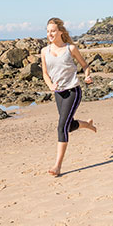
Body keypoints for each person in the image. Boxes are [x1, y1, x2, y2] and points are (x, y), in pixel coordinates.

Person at [41, 17, 97, 177]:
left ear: (60, 32)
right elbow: (45, 73)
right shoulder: (44, 51)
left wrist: (87, 76)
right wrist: (50, 85)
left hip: (73, 91)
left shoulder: (70, 48)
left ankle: (57, 166)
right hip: (58, 93)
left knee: (61, 127)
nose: (50, 34)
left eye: (53, 31)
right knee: (68, 125)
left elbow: (85, 66)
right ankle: (87, 124)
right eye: (48, 31)